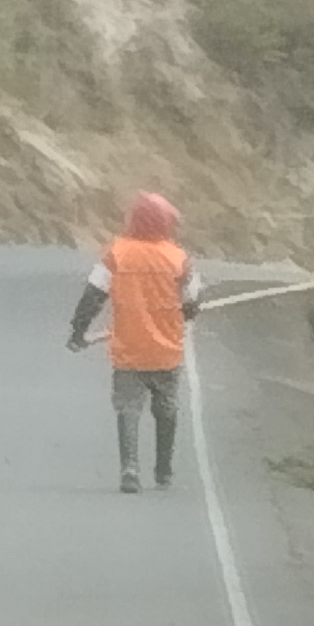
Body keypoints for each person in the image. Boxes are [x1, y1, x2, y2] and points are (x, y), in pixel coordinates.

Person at [68, 192, 202, 492]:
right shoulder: (177, 258)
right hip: (166, 350)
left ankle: (129, 467)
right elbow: (192, 301)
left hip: (128, 347)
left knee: (128, 408)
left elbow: (93, 295)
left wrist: (78, 330)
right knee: (166, 408)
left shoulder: (117, 253)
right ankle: (163, 470)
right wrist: (186, 313)